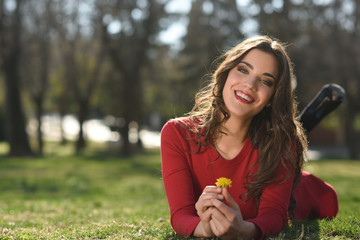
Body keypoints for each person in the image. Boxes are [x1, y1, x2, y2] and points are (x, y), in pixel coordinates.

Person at [160, 35, 338, 240]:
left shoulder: (281, 144)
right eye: (243, 69)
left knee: (323, 199)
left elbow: (273, 216)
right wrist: (206, 229)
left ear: (272, 98)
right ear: (226, 73)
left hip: (300, 192)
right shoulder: (177, 134)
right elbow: (181, 215)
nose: (250, 84)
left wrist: (244, 231)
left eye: (266, 81)